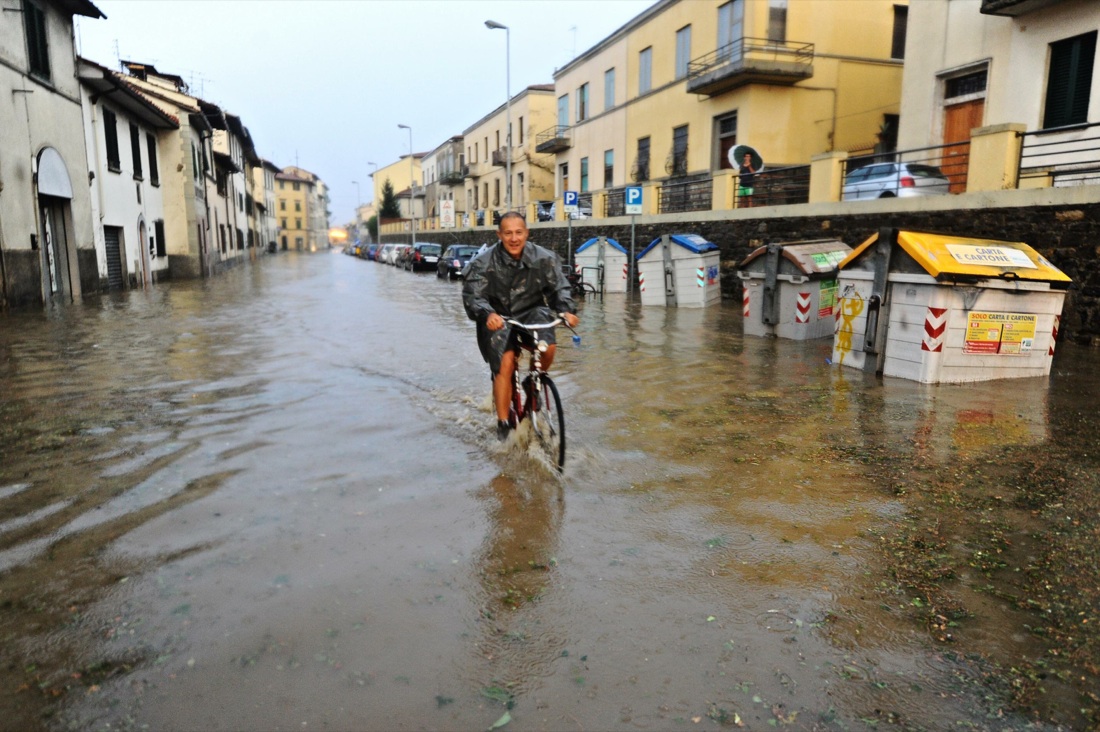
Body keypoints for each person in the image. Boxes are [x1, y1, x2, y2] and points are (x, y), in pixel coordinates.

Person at [462, 212, 580, 441]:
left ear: (526, 233)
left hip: (532, 314)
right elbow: (473, 296)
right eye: (508, 233)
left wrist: (566, 310)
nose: (514, 238)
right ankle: (503, 422)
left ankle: (534, 378)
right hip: (497, 318)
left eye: (519, 232)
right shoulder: (483, 263)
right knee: (505, 362)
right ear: (499, 235)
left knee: (549, 346)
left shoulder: (543, 258)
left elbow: (559, 288)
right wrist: (488, 313)